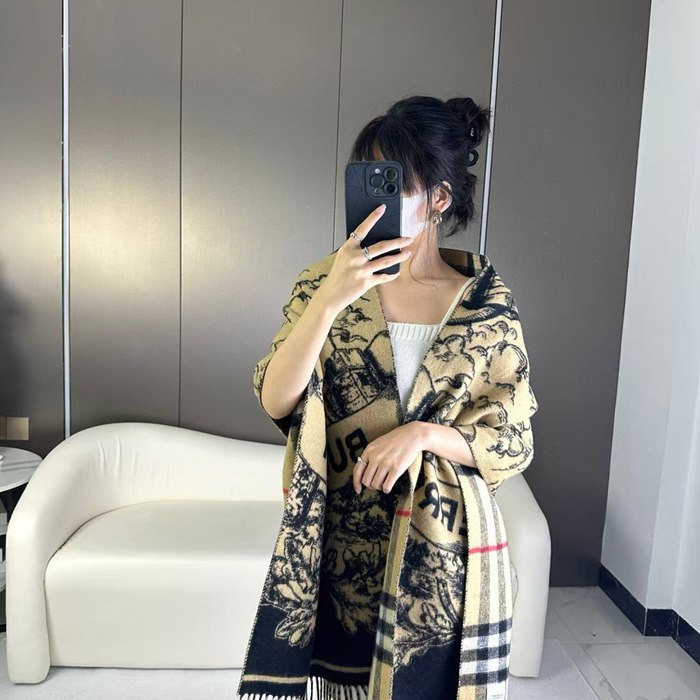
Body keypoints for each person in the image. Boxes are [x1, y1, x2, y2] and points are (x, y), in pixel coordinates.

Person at [241, 95, 534, 700]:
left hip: (442, 550)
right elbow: (276, 399)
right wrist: (330, 300)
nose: (375, 199)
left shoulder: (485, 303)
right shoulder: (322, 282)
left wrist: (421, 434)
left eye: (394, 183)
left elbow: (512, 438)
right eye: (367, 178)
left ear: (439, 199)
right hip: (342, 543)